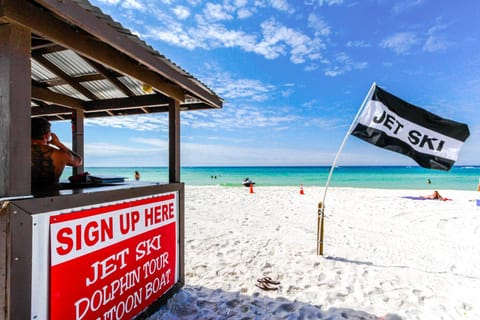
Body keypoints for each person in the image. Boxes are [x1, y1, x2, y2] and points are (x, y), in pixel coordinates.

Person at [31, 118, 82, 190]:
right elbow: (78, 161)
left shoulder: (17, 153)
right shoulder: (61, 154)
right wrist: (58, 144)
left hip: (24, 197)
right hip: (53, 196)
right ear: (47, 135)